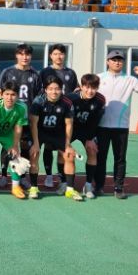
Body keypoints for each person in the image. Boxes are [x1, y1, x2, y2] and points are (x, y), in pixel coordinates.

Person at [95, 50, 138, 199]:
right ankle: (99, 186)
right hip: (101, 126)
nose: (117, 62)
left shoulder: (130, 79)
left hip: (121, 126)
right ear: (108, 62)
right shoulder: (99, 78)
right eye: (114, 60)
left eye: (120, 60)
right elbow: (88, 91)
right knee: (100, 158)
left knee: (120, 159)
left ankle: (118, 188)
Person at [0, 43, 42, 188]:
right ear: (16, 55)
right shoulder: (7, 72)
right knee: (8, 146)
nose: (24, 57)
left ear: (31, 56)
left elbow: (39, 96)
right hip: (10, 117)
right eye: (21, 54)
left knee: (25, 147)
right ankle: (4, 175)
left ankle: (22, 176)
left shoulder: (35, 74)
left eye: (27, 54)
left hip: (27, 118)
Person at [28, 76, 82, 201]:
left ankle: (69, 189)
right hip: (40, 132)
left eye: (57, 89)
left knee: (69, 155)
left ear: (61, 89)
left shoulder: (67, 103)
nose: (54, 92)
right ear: (45, 90)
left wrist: (67, 144)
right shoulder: (38, 101)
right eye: (51, 89)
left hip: (57, 132)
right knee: (34, 153)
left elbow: (69, 124)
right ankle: (34, 187)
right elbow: (33, 124)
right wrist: (36, 143)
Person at [39, 43, 79, 188]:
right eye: (55, 54)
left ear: (65, 55)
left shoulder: (70, 73)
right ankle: (49, 176)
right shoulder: (44, 72)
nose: (58, 56)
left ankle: (62, 177)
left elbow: (76, 91)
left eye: (61, 54)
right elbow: (39, 91)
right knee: (48, 146)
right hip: (48, 113)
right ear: (51, 56)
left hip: (64, 114)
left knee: (63, 147)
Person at [66, 74, 106, 199]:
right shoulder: (70, 98)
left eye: (93, 88)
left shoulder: (100, 100)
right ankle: (65, 183)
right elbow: (65, 119)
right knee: (65, 152)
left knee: (92, 150)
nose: (90, 91)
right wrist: (66, 141)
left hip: (87, 129)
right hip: (71, 128)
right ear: (81, 87)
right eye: (87, 87)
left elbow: (95, 121)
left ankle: (88, 185)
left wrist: (90, 139)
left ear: (97, 88)